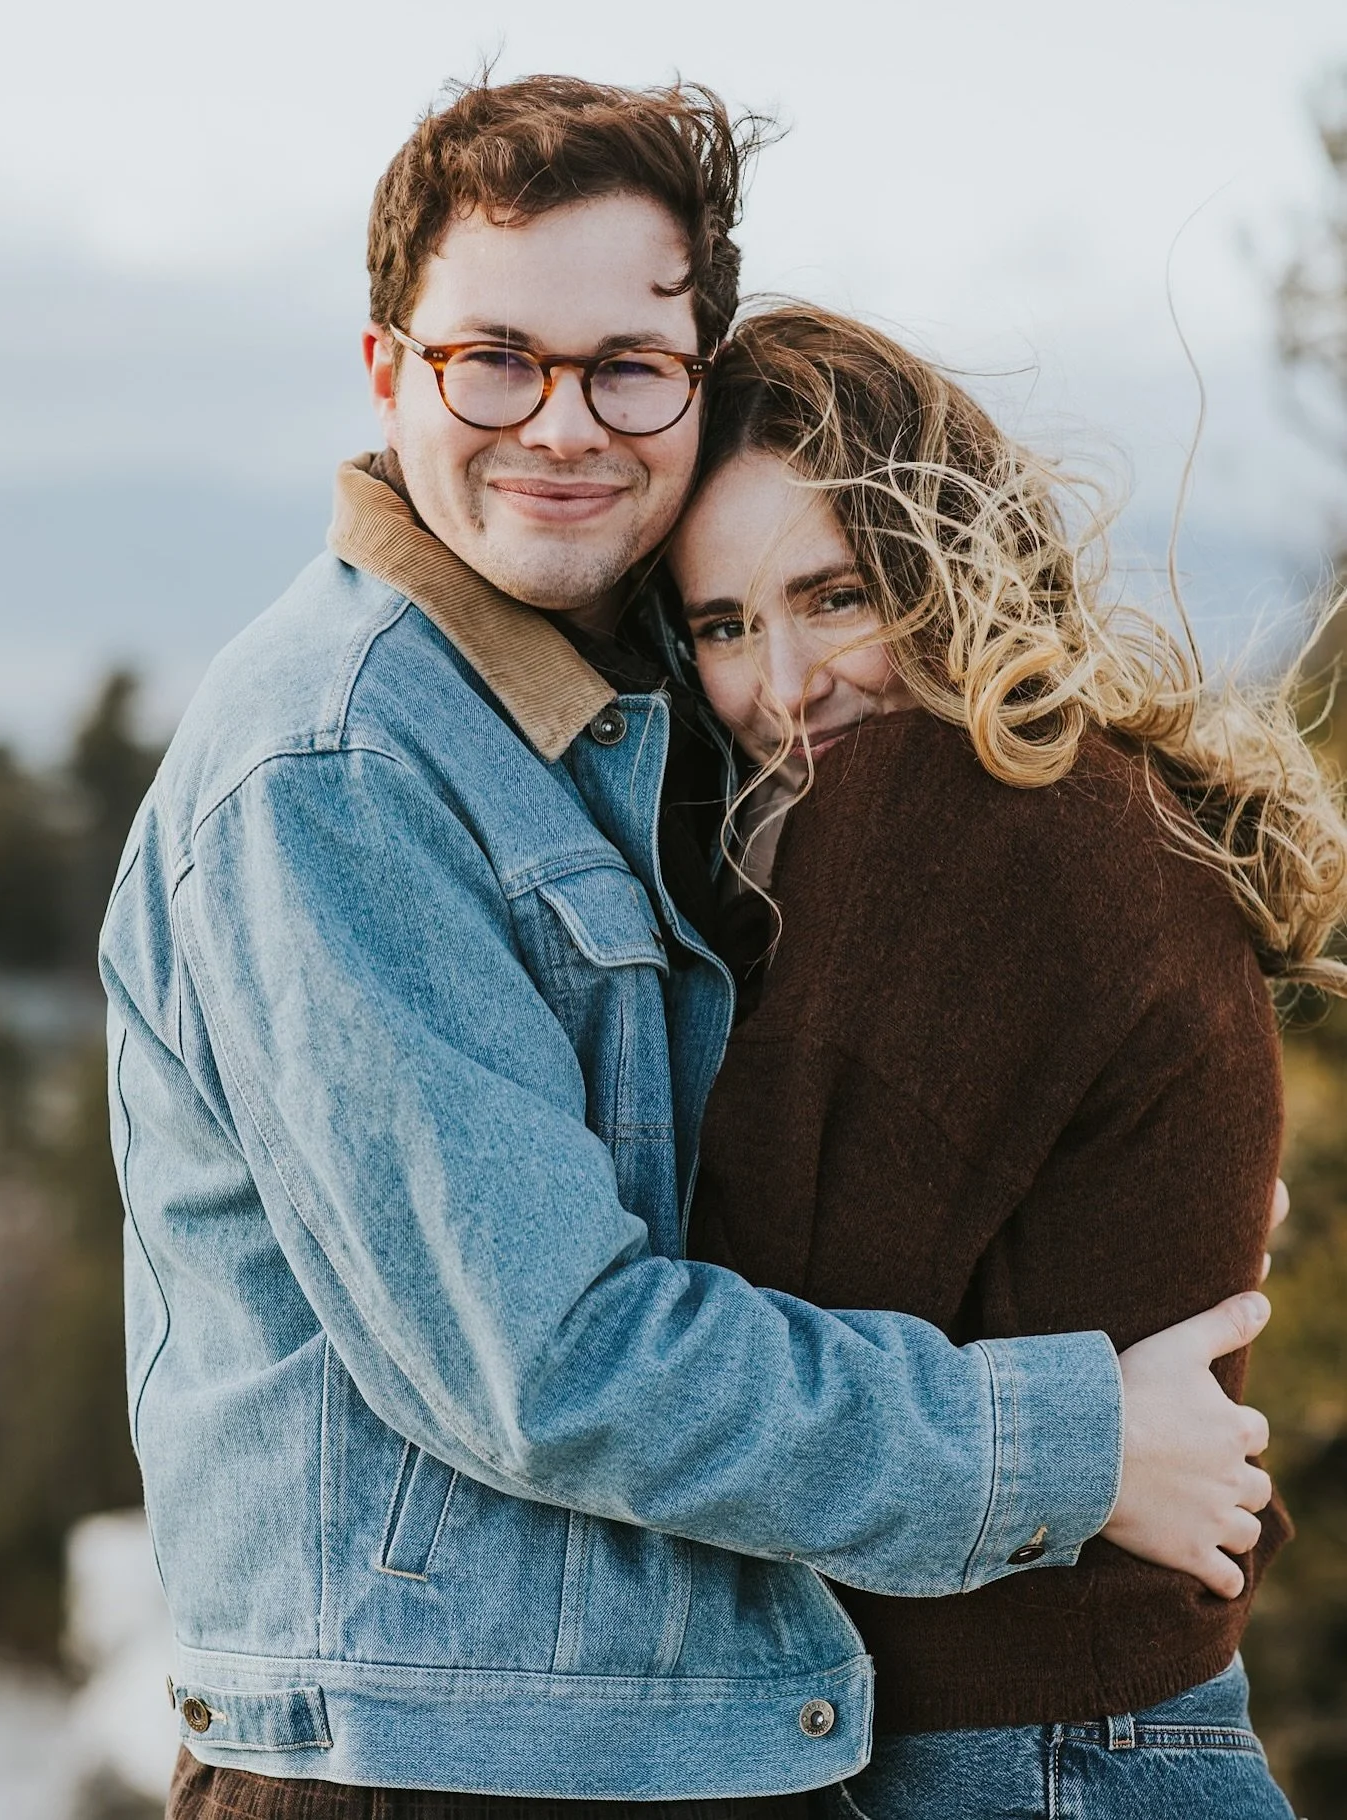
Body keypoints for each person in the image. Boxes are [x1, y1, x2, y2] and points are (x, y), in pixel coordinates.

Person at [98, 77, 1281, 1815]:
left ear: (692, 379)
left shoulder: (616, 734)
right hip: (434, 1763)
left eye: (626, 367)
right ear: (386, 373)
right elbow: (560, 1357)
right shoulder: (342, 765)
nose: (561, 424)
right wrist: (1078, 1439)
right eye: (493, 356)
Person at [667, 305, 1347, 1819]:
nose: (785, 682)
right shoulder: (1082, 788)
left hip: (1037, 1759)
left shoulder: (949, 805)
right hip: (1107, 1735)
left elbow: (771, 1315)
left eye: (831, 595)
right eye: (722, 625)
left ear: (939, 565)